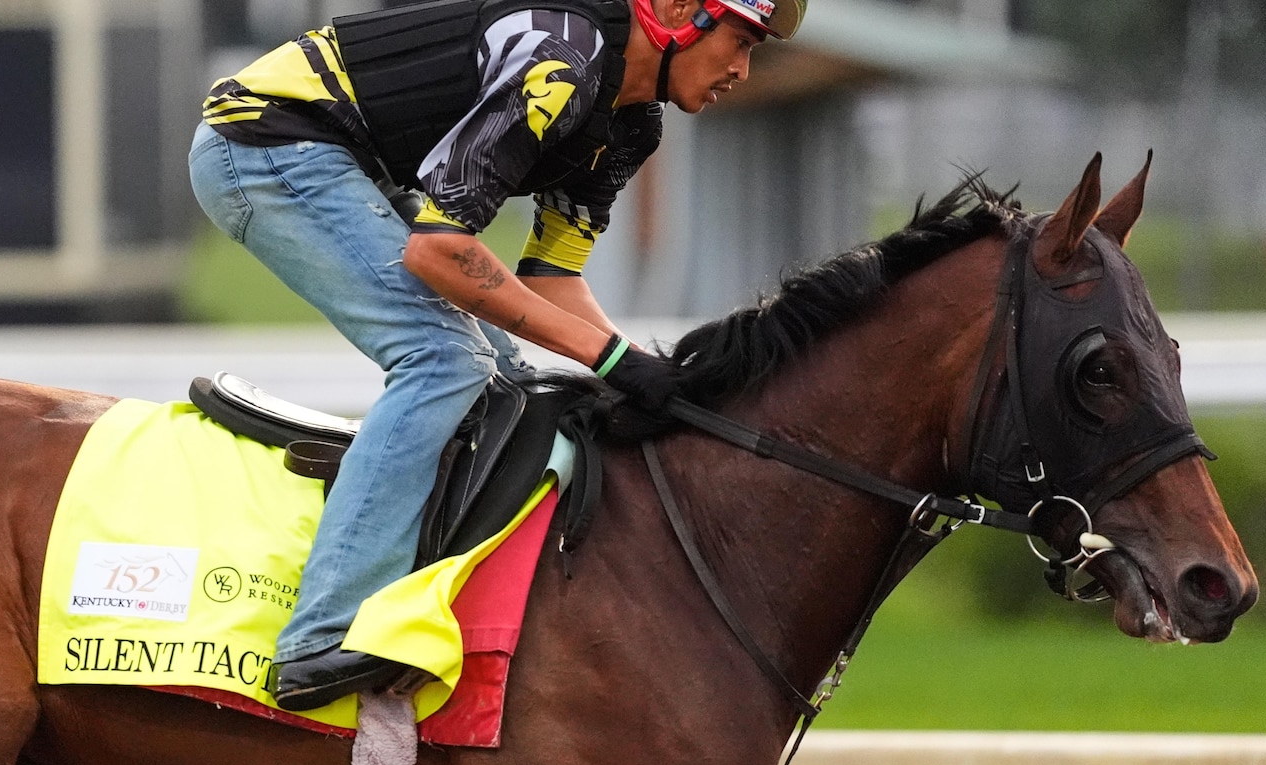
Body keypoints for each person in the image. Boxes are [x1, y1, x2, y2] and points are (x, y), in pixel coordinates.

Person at [189, 0, 806, 712]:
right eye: (738, 40)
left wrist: (644, 366)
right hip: (267, 142)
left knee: (512, 382)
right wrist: (612, 362)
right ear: (672, 13)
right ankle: (324, 631)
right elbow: (441, 251)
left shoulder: (632, 126)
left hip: (344, 160)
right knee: (443, 361)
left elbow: (552, 280)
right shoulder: (561, 63)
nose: (741, 68)